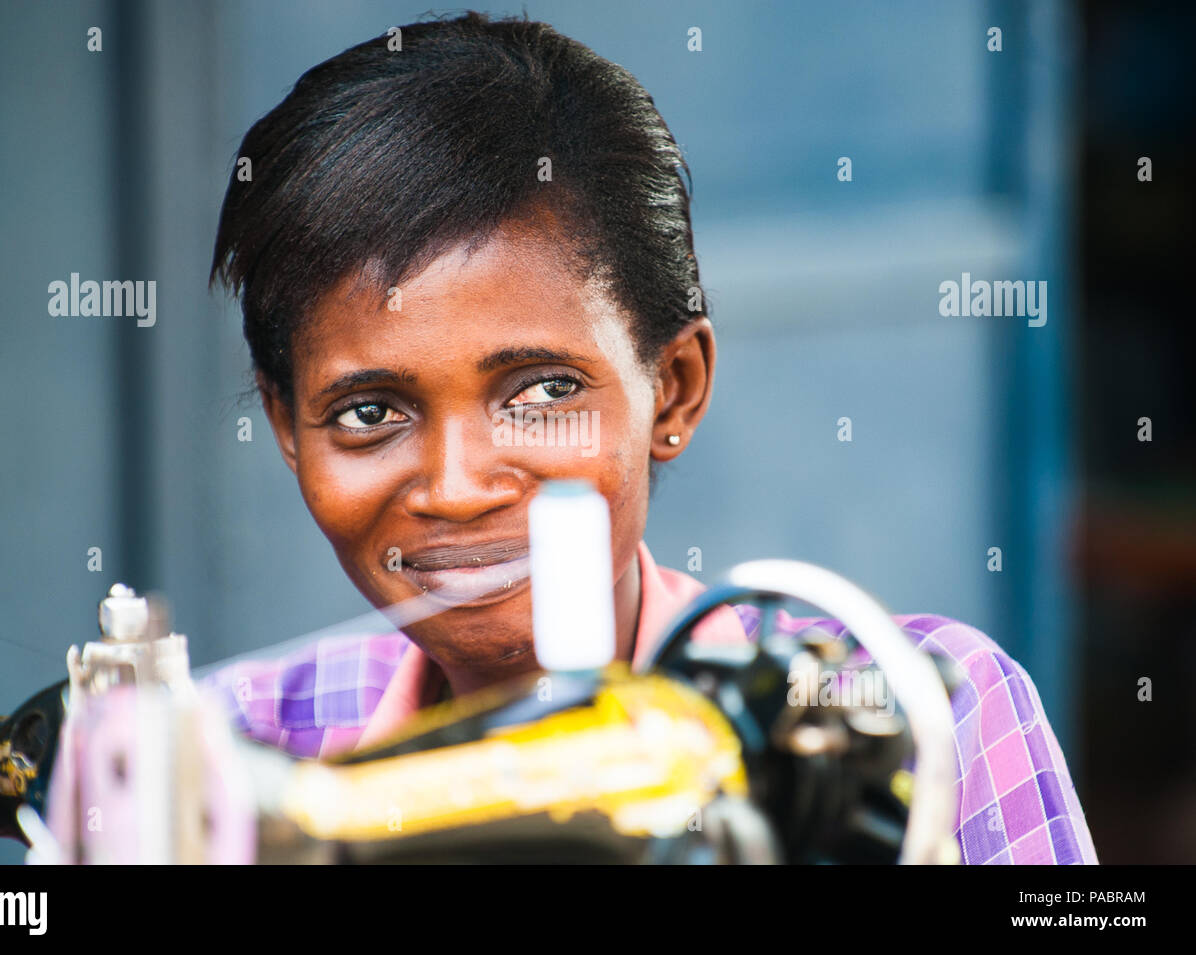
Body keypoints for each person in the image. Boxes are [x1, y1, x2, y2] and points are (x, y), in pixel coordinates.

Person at [201, 11, 1096, 865]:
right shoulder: (222, 752)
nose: (459, 485)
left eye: (544, 391)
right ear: (289, 428)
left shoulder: (930, 719)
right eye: (370, 413)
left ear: (673, 390)